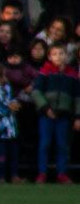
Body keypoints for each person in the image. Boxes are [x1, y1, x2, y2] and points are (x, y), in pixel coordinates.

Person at [32, 43, 77, 183]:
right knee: (44, 144)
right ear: (50, 57)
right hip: (46, 114)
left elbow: (77, 97)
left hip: (64, 115)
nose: (59, 57)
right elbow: (36, 92)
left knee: (62, 145)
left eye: (61, 53)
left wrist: (78, 116)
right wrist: (45, 108)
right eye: (55, 54)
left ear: (67, 56)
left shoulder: (72, 74)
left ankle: (61, 173)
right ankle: (42, 173)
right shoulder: (45, 72)